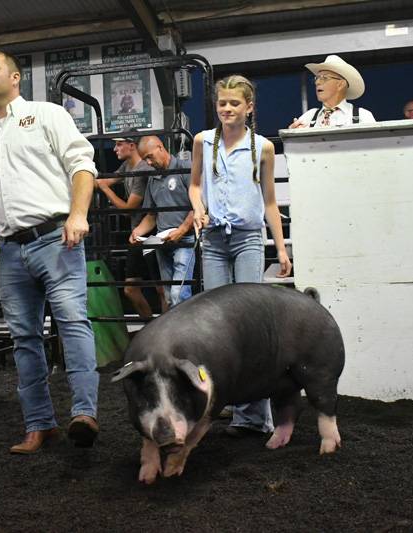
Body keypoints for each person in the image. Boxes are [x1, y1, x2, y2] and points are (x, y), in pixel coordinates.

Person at [0, 47, 99, 454]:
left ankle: (84, 413)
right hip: (11, 248)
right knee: (24, 338)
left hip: (56, 238)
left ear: (15, 78)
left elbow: (82, 164)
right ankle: (39, 424)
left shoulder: (47, 115)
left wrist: (77, 215)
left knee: (72, 321)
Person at [190, 75, 292, 437]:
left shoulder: (262, 147)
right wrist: (198, 208)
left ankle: (252, 416)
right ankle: (222, 401)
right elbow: (195, 184)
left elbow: (269, 201)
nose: (227, 109)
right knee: (215, 323)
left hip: (248, 237)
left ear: (249, 107)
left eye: (234, 103)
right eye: (222, 103)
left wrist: (280, 248)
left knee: (249, 322)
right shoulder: (203, 141)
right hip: (215, 239)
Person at [95, 128, 167, 318]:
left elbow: (129, 208)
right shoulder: (128, 167)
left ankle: (164, 335)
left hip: (152, 233)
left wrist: (105, 190)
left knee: (162, 290)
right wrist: (80, 178)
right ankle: (149, 329)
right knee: (130, 290)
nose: (115, 149)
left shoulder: (143, 170)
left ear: (132, 146)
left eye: (119, 144)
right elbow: (105, 181)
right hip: (136, 234)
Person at [132, 136, 195, 307]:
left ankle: (187, 332)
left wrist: (182, 230)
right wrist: (138, 231)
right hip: (162, 242)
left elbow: (198, 205)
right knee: (169, 296)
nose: (148, 162)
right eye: (145, 159)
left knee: (178, 294)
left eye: (149, 156)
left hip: (184, 240)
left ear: (160, 147)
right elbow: (152, 215)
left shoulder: (184, 168)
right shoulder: (153, 179)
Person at [288, 55, 376, 128]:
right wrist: (292, 133)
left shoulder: (362, 116)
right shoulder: (308, 117)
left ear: (340, 84)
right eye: (317, 78)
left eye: (324, 78)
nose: (317, 82)